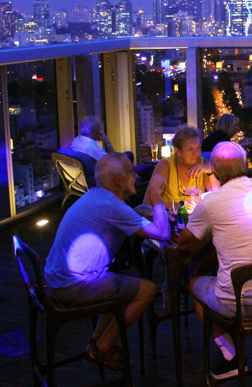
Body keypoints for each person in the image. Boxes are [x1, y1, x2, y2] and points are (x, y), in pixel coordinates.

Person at [178, 141, 252, 380]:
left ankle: (230, 356)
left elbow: (184, 244)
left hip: (239, 306)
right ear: (245, 165)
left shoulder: (211, 202)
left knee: (193, 284)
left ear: (214, 170)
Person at [44, 153, 170, 371]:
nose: (135, 176)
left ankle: (95, 343)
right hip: (72, 286)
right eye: (131, 172)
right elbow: (163, 233)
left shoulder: (96, 196)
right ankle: (103, 346)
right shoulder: (112, 207)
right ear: (119, 179)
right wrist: (156, 196)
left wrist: (135, 214)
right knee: (147, 290)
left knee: (126, 281)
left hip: (56, 278)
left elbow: (117, 216)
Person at [142, 124, 219, 212]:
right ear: (177, 151)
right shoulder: (165, 165)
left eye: (198, 148)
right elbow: (147, 204)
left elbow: (217, 198)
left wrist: (210, 170)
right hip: (170, 218)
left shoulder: (203, 163)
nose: (196, 153)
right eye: (190, 149)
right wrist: (177, 205)